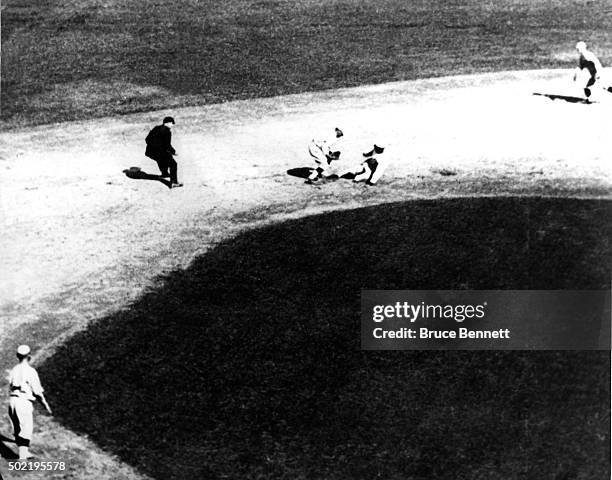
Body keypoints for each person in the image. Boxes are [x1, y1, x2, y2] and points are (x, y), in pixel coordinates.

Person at [7, 345, 52, 460]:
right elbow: (37, 392)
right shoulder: (31, 371)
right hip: (23, 403)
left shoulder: (14, 370)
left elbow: (10, 386)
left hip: (12, 401)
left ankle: (25, 452)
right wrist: (45, 404)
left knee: (17, 428)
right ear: (29, 356)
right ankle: (22, 460)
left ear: (18, 356)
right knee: (25, 430)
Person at [145, 116, 183, 188]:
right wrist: (173, 152)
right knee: (173, 164)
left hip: (150, 152)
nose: (172, 125)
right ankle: (174, 182)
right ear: (168, 123)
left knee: (161, 160)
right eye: (172, 123)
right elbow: (167, 145)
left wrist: (153, 146)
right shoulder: (167, 131)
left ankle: (165, 173)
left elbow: (147, 139)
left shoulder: (156, 128)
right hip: (159, 152)